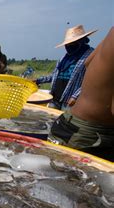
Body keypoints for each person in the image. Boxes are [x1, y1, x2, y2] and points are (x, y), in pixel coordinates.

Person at [48, 27, 114, 161]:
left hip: (70, 124)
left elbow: (86, 75)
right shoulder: (64, 59)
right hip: (87, 136)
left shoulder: (98, 46)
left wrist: (75, 96)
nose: (69, 47)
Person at [35, 25, 97, 110]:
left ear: (82, 41)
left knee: (66, 123)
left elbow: (92, 81)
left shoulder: (90, 56)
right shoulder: (65, 57)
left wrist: (75, 96)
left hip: (70, 102)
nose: (69, 46)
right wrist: (38, 80)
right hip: (55, 98)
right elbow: (55, 76)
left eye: (72, 43)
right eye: (67, 44)